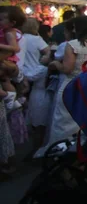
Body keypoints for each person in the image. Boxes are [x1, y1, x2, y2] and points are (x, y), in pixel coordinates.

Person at [44, 16, 87, 150]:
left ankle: (60, 152)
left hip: (71, 86)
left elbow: (67, 69)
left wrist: (56, 64)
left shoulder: (73, 45)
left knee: (62, 124)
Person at [20, 19, 51, 150]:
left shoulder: (19, 37)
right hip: (35, 73)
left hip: (21, 73)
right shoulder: (36, 39)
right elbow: (47, 51)